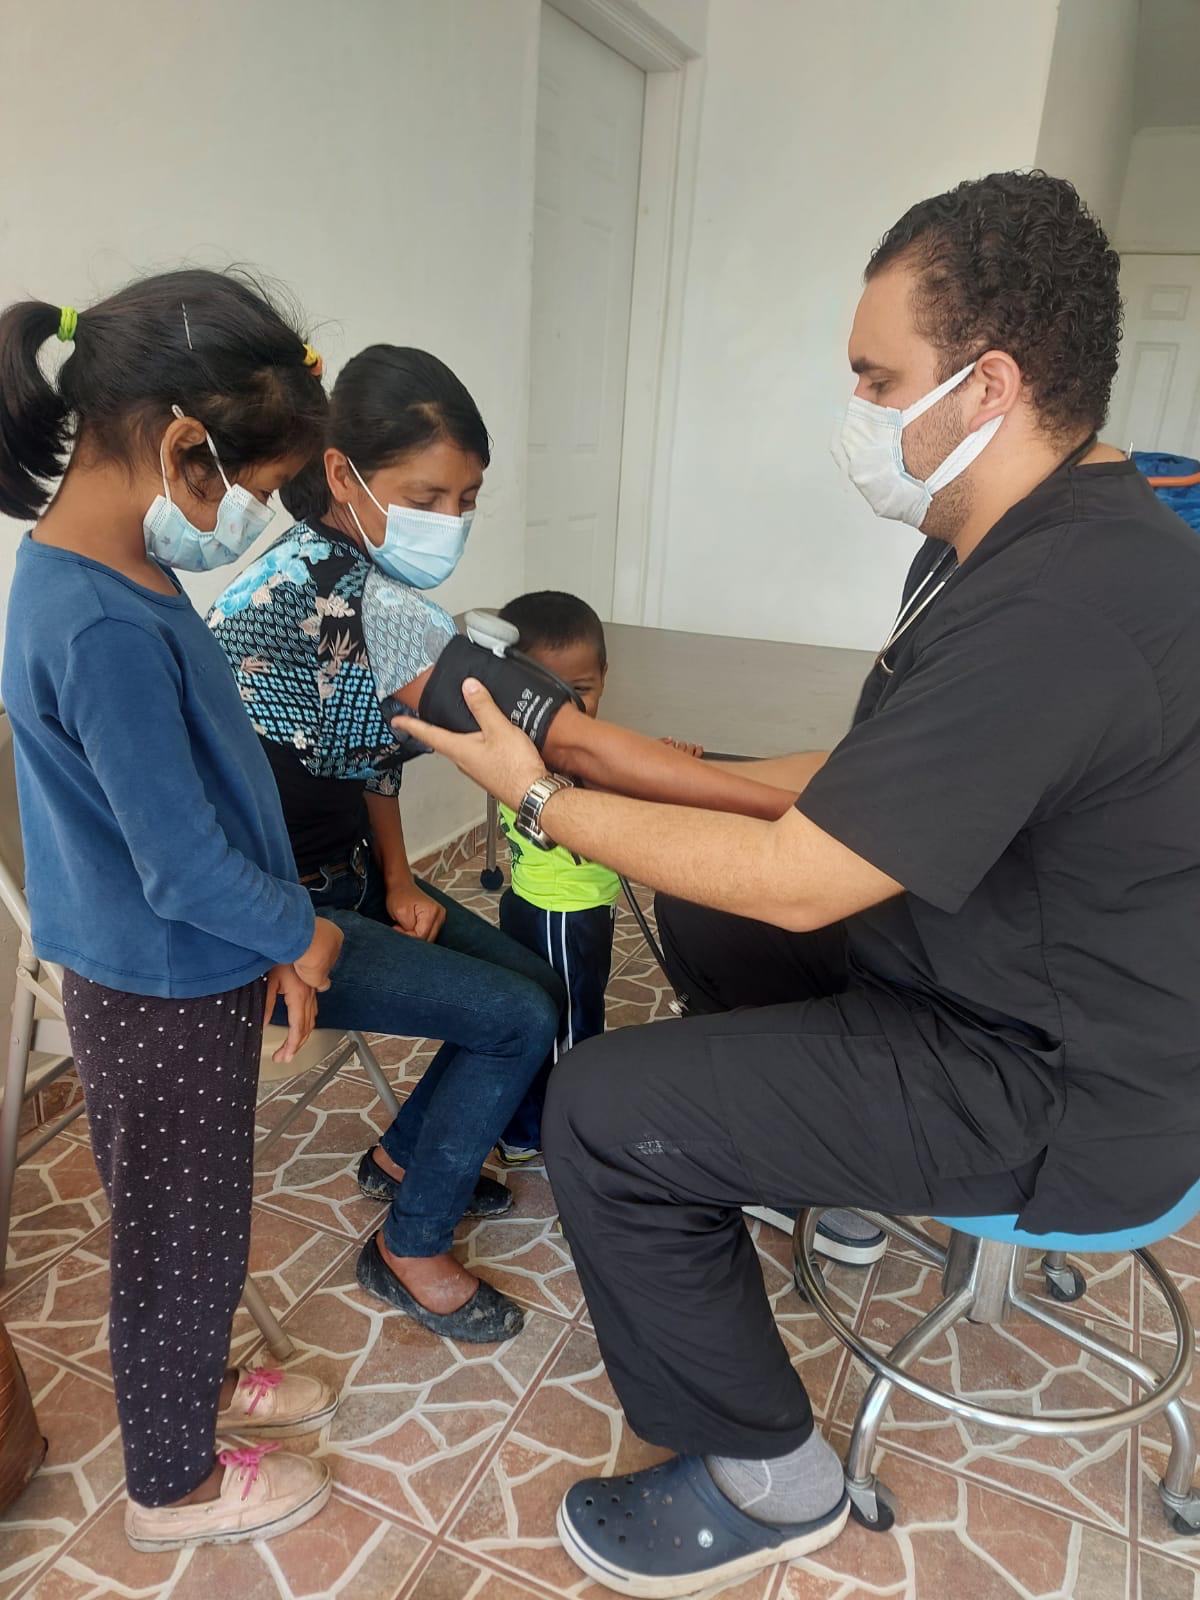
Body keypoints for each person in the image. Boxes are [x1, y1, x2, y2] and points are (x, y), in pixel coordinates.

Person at [394, 171, 1200, 1597]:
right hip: (1003, 971)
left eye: (878, 378)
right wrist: (613, 750)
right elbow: (860, 777)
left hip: (1067, 1084)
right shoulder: (1006, 545)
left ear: (991, 383)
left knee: (604, 1109)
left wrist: (540, 794)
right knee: (699, 900)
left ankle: (768, 1477)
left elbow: (799, 877)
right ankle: (819, 1164)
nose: (862, 412)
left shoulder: (1066, 606)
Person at [1, 270, 346, 1553]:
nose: (247, 517)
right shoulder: (96, 623)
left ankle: (193, 1385)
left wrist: (271, 937)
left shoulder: (119, 568)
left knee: (200, 1210)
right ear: (179, 443)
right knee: (175, 1228)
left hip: (188, 964)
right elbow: (179, 868)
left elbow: (200, 800)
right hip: (156, 971)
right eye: (248, 488)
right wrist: (301, 934)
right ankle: (171, 1480)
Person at [208, 346, 567, 1344]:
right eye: (428, 495)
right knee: (512, 1017)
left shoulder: (353, 585)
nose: (449, 522)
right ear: (342, 475)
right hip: (280, 925)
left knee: (534, 984)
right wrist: (283, 938)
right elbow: (206, 820)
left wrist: (402, 879)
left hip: (349, 885)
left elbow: (368, 754)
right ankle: (408, 1245)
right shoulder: (299, 599)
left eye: (468, 499)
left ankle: (407, 1157)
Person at [489, 592, 621, 1164]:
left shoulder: (514, 745)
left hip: (540, 902)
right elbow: (610, 807)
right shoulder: (556, 761)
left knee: (546, 1012)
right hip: (563, 915)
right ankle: (563, 1136)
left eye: (582, 692)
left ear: (605, 678)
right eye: (547, 694)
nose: (566, 709)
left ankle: (524, 1126)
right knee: (571, 1026)